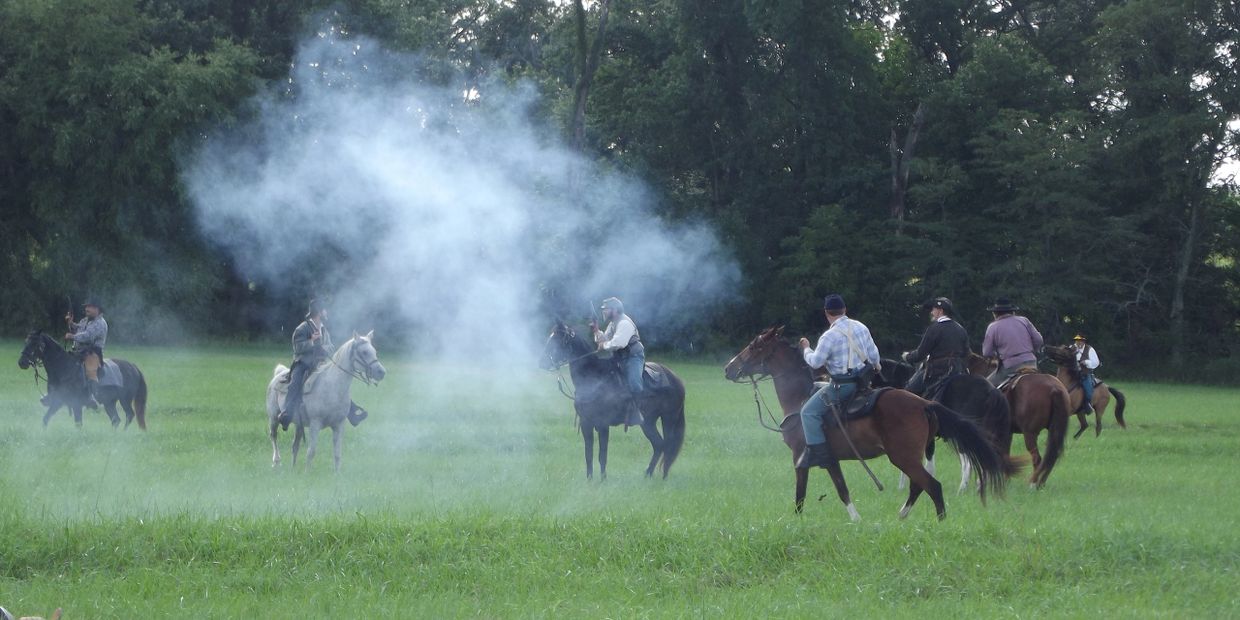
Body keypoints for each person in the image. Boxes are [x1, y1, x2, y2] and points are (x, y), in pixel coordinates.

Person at [796, 294, 881, 470]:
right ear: (845, 310)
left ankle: (821, 456)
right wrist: (877, 367)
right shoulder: (861, 327)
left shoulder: (829, 336)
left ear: (827, 313)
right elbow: (874, 357)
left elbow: (816, 362)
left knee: (808, 412)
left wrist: (806, 349)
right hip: (863, 384)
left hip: (842, 386)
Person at [278, 299, 369, 430]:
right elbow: (297, 348)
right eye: (325, 310)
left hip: (320, 365)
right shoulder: (302, 328)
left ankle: (352, 413)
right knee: (295, 383)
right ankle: (287, 414)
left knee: (337, 384)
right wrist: (311, 341)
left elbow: (331, 346)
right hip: (303, 364)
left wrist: (323, 347)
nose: (327, 312)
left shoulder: (323, 330)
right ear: (319, 312)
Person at [901, 297, 971, 398]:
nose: (931, 312)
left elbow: (920, 354)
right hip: (958, 370)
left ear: (940, 311)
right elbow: (966, 353)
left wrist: (907, 356)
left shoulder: (934, 328)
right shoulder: (961, 329)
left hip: (938, 371)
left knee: (907, 392)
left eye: (933, 309)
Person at [592, 296, 644, 427]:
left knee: (634, 384)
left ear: (614, 310)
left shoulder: (624, 323)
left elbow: (618, 343)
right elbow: (605, 339)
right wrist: (597, 331)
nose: (604, 312)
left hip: (633, 358)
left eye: (606, 309)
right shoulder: (613, 323)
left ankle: (637, 412)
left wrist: (603, 345)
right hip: (619, 358)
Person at [981, 297, 1044, 387]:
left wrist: (995, 354)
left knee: (986, 386)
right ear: (1012, 311)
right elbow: (1039, 340)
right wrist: (1030, 352)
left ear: (995, 313)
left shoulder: (993, 327)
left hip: (1011, 367)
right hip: (1031, 362)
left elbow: (986, 352)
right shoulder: (1024, 320)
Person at [64, 298, 108, 408]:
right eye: (86, 307)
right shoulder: (85, 320)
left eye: (90, 307)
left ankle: (92, 398)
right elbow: (78, 329)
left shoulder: (100, 323)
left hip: (93, 353)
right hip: (79, 352)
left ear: (97, 309)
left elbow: (88, 336)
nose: (86, 309)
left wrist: (72, 336)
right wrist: (71, 323)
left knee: (90, 371)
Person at [1071, 334, 1101, 413]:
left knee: (1088, 390)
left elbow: (1096, 362)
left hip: (1084, 373)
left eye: (1080, 341)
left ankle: (1087, 406)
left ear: (1083, 341)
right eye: (1077, 341)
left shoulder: (1089, 349)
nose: (1078, 343)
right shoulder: (1071, 348)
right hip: (1072, 373)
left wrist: (1086, 362)